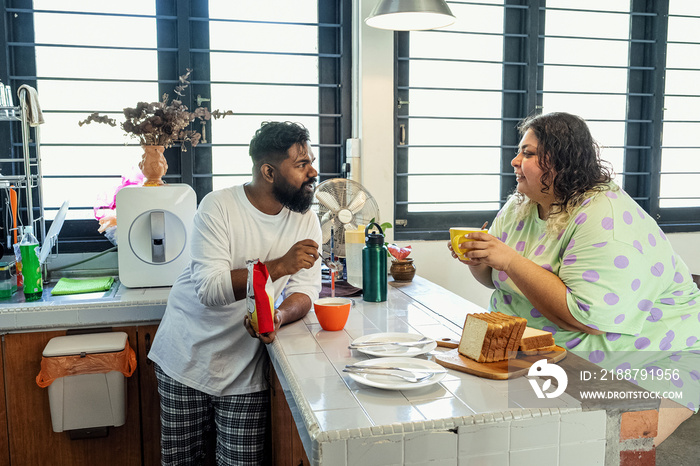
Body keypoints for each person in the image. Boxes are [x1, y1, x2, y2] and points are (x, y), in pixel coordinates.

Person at [448, 112, 699, 445]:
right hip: (544, 348)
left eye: (528, 153)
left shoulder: (605, 216)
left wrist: (508, 258)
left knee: (611, 446)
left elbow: (587, 317)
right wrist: (479, 259)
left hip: (654, 350)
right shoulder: (522, 205)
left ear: (560, 161)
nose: (514, 160)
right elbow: (496, 280)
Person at [148, 121, 322, 465]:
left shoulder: (305, 219)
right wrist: (280, 266)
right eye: (301, 165)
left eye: (311, 161)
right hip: (186, 359)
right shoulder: (218, 207)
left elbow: (306, 290)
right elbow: (210, 290)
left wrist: (279, 316)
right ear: (269, 172)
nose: (313, 172)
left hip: (245, 371)